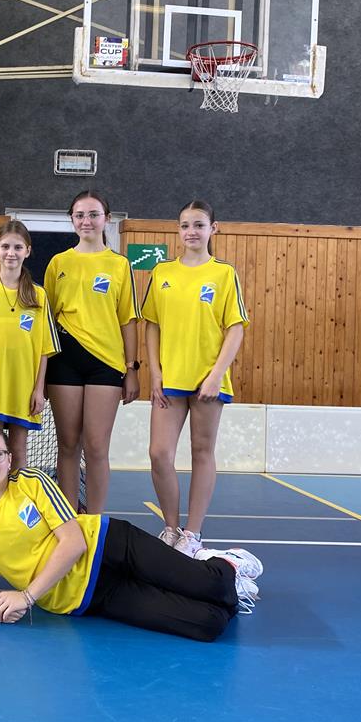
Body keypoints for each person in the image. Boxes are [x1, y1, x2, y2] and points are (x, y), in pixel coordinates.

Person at [0, 425, 262, 641]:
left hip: (110, 545)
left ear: (9, 459)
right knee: (207, 624)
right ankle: (226, 590)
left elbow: (74, 542)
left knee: (212, 585)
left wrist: (27, 596)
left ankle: (224, 564)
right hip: (92, 596)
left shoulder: (31, 482)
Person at [143, 200, 249, 556]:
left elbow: (235, 328)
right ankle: (171, 527)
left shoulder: (224, 274)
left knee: (202, 452)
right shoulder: (162, 273)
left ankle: (192, 533)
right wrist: (155, 373)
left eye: (199, 225)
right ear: (178, 230)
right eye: (185, 225)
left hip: (208, 381)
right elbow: (152, 325)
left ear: (213, 229)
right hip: (169, 380)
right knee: (159, 453)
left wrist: (216, 374)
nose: (191, 231)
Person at [43, 190, 140, 513]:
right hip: (64, 362)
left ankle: (95, 521)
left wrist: (132, 368)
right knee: (68, 444)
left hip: (106, 364)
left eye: (93, 214)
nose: (87, 221)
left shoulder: (119, 265)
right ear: (72, 220)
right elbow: (46, 320)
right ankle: (69, 517)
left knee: (97, 447)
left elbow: (127, 319)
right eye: (80, 215)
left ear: (106, 219)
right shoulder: (58, 263)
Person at [0, 220, 59, 471]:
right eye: (5, 246)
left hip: (22, 387)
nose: (11, 253)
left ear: (27, 251)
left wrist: (38, 390)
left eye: (18, 247)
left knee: (18, 451)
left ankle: (16, 495)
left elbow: (44, 349)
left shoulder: (38, 295)